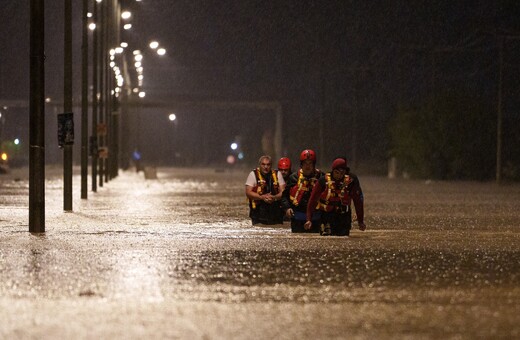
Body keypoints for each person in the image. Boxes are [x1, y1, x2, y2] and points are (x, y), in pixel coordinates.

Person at [305, 157, 366, 236]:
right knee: (326, 239)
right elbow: (312, 200)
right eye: (337, 172)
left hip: (344, 216)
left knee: (344, 239)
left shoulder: (351, 182)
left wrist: (360, 221)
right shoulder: (323, 181)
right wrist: (309, 219)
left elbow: (358, 202)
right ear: (333, 170)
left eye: (342, 173)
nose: (339, 175)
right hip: (327, 216)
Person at [281, 149, 324, 233]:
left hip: (316, 218)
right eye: (305, 163)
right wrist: (287, 208)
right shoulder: (293, 178)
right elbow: (284, 196)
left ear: (314, 164)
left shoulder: (321, 177)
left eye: (310, 163)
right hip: (298, 219)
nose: (307, 166)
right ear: (301, 164)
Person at [245, 155, 286, 225]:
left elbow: (283, 192)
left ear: (271, 165)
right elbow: (248, 192)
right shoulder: (253, 174)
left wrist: (274, 197)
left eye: (268, 164)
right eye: (263, 164)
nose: (266, 167)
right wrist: (262, 197)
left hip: (275, 213)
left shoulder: (277, 174)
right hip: (258, 214)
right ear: (259, 165)